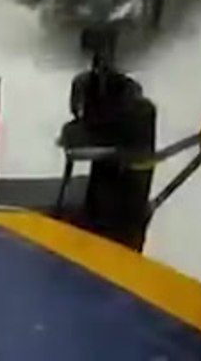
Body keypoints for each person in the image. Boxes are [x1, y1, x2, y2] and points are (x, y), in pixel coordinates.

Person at [58, 23, 157, 252]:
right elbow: (82, 121)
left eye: (104, 55)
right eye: (96, 57)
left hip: (125, 204)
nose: (100, 62)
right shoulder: (86, 85)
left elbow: (120, 140)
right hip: (103, 185)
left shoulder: (133, 100)